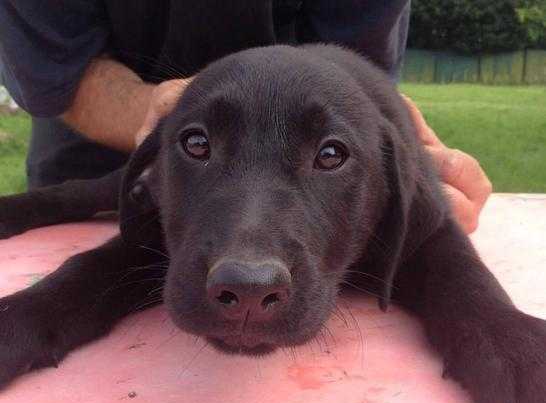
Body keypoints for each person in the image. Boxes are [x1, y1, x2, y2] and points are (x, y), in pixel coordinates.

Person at [0, 1, 490, 232]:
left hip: (301, 189)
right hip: (101, 156)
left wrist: (390, 140)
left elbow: (352, 71)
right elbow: (57, 70)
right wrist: (184, 118)